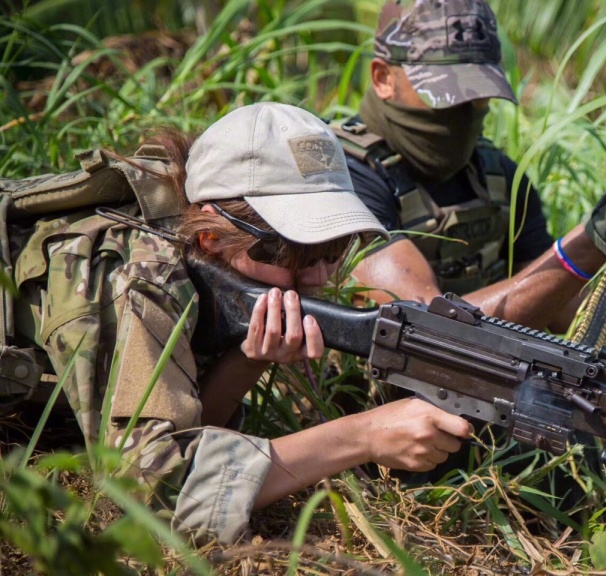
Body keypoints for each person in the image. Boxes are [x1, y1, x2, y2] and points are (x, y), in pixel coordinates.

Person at [4, 102, 473, 544]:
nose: (317, 276)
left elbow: (185, 427)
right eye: (295, 253)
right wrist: (363, 436)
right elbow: (148, 495)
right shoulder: (135, 279)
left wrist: (247, 359)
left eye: (334, 250)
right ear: (211, 237)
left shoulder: (210, 271)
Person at [336, 0, 606, 333]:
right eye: (445, 93)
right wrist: (588, 243)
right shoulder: (342, 178)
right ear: (383, 78)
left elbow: (553, 303)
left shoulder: (499, 178)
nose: (464, 111)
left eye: (478, 95)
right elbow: (424, 329)